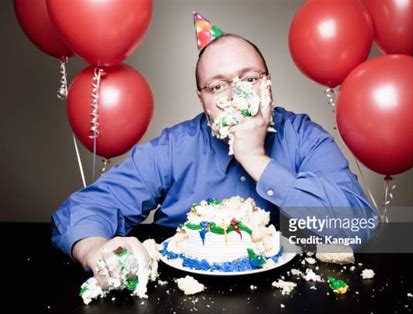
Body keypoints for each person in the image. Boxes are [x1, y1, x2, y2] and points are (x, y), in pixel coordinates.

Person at [51, 14, 378, 283]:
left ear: (268, 83)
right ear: (202, 100)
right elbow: (84, 208)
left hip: (295, 292)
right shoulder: (176, 146)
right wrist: (95, 250)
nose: (235, 96)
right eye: (217, 86)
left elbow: (357, 224)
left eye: (248, 79)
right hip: (181, 292)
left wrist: (256, 159)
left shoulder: (304, 136)